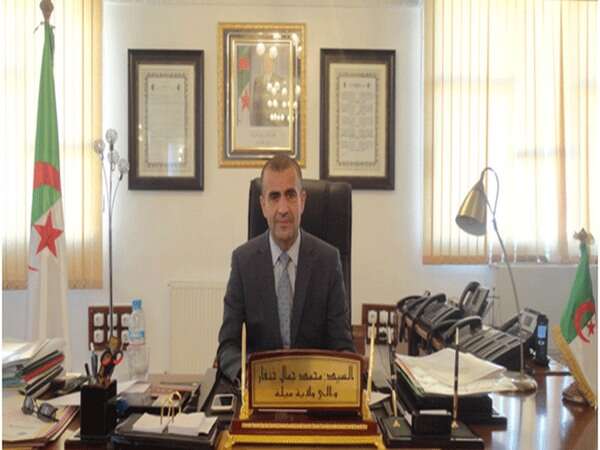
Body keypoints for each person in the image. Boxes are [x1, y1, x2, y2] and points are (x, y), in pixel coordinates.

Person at [217, 155, 355, 382]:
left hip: (315, 389)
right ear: (263, 205)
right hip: (260, 389)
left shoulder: (328, 261)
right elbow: (228, 345)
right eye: (274, 197)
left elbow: (342, 347)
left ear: (303, 200)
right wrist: (246, 375)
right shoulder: (243, 262)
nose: (283, 209)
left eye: (290, 195)